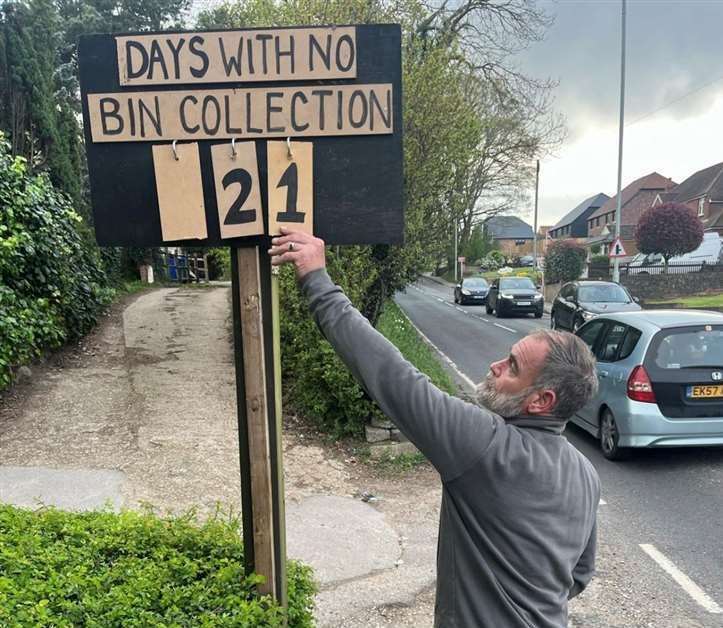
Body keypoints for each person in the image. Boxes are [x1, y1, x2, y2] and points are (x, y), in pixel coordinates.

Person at [269, 228, 601, 628]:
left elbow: (392, 376)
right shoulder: (586, 473)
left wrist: (317, 281)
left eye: (512, 367)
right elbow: (578, 576)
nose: (495, 366)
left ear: (542, 401)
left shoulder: (485, 446)